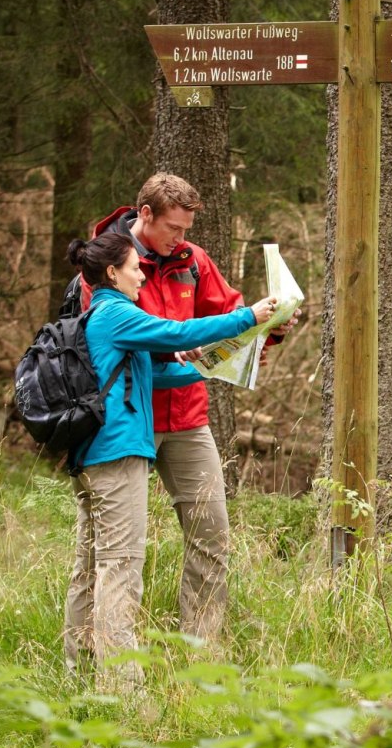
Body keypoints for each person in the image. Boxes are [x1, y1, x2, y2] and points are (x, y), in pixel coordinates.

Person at [74, 172, 290, 645]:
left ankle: (201, 650)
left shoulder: (193, 260)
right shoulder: (108, 268)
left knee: (211, 536)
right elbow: (151, 338)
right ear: (145, 215)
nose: (182, 239)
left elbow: (227, 310)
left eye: (187, 229)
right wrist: (220, 334)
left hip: (187, 416)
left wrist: (269, 326)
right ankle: (94, 658)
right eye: (174, 228)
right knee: (109, 553)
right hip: (129, 421)